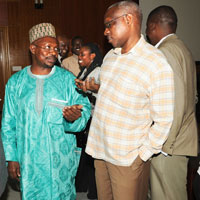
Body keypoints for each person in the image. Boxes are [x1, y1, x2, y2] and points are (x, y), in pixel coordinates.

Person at [85, 1, 175, 200]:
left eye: (109, 24)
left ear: (128, 19)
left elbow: (164, 119)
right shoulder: (110, 57)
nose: (105, 31)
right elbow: (110, 98)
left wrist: (142, 155)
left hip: (127, 159)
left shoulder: (155, 62)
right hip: (100, 152)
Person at [1, 22, 91, 200]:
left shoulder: (67, 80)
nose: (53, 52)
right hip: (29, 161)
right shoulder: (16, 83)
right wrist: (11, 157)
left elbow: (85, 108)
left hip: (61, 161)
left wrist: (74, 119)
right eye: (48, 47)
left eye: (56, 48)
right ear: (33, 48)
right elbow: (8, 124)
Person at [146, 6, 198, 200]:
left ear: (152, 27)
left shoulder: (165, 52)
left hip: (169, 144)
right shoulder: (182, 48)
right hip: (180, 138)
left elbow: (175, 102)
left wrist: (165, 145)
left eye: (147, 29)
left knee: (166, 195)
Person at [75, 43, 103, 200]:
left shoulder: (98, 70)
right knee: (86, 155)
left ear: (92, 56)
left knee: (92, 157)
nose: (79, 58)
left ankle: (93, 191)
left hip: (95, 118)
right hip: (86, 117)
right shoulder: (86, 69)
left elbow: (99, 94)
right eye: (79, 54)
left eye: (83, 55)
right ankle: (83, 186)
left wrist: (88, 90)